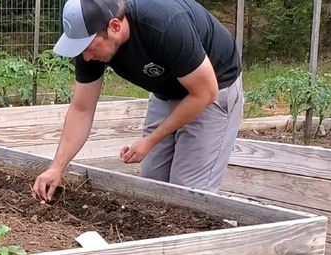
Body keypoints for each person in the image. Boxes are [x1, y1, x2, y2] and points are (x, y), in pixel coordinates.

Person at [33, 0, 244, 201]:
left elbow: (205, 92)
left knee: (189, 192)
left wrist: (150, 141)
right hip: (167, 90)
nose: (86, 57)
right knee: (151, 185)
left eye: (89, 47)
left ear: (114, 26)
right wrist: (57, 167)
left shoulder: (165, 25)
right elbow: (81, 110)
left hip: (212, 87)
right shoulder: (91, 43)